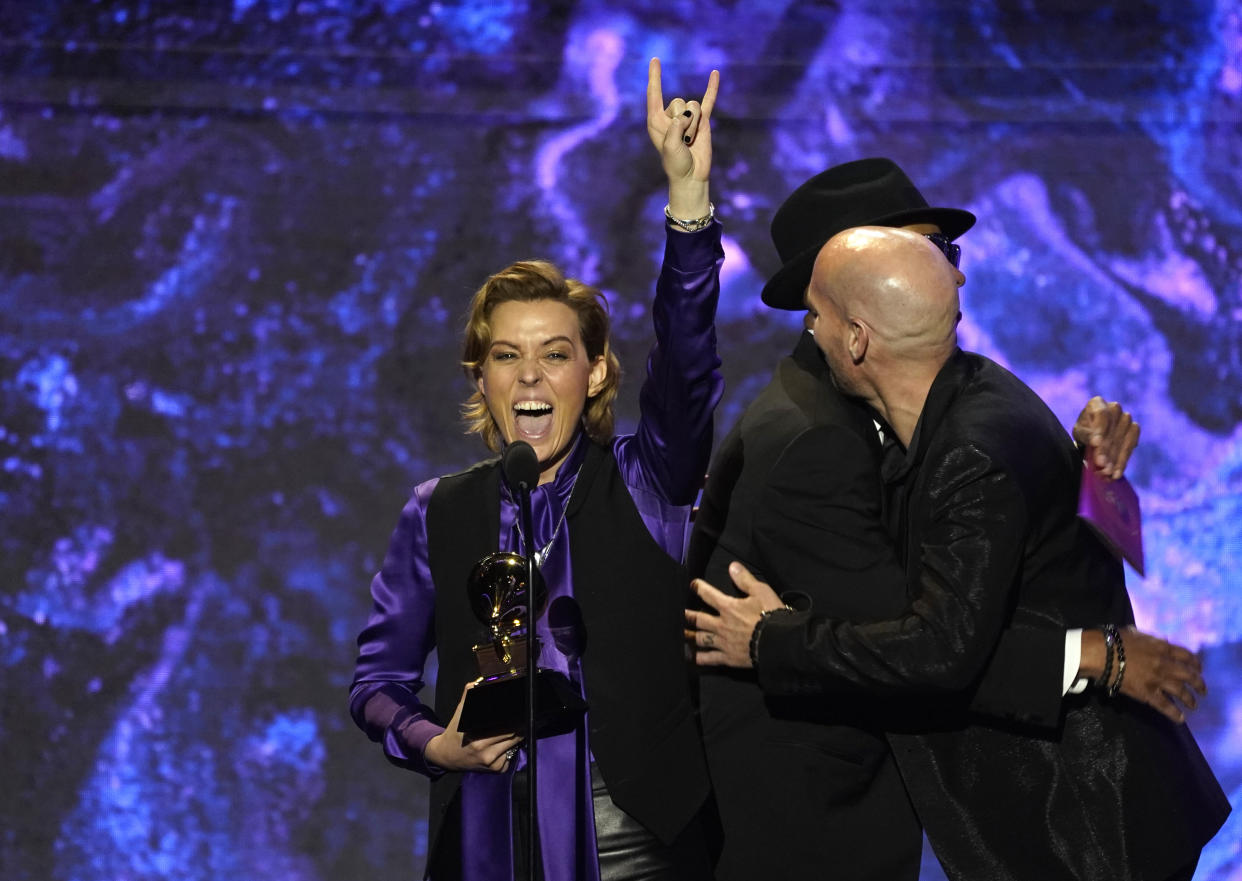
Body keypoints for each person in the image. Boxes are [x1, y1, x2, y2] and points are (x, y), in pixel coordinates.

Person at [685, 158, 1203, 881]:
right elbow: (924, 646)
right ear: (857, 291)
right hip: (828, 817)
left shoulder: (950, 404)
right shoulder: (820, 442)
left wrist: (1075, 473)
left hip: (1079, 810)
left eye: (944, 255)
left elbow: (940, 636)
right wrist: (1092, 655)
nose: (953, 276)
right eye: (929, 251)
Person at [350, 59, 723, 881]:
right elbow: (376, 680)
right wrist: (434, 742)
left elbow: (688, 369)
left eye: (555, 355)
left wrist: (688, 204)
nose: (528, 376)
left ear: (593, 374)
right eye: (506, 356)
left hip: (643, 841)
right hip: (488, 839)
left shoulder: (645, 480)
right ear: (478, 376)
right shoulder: (437, 511)